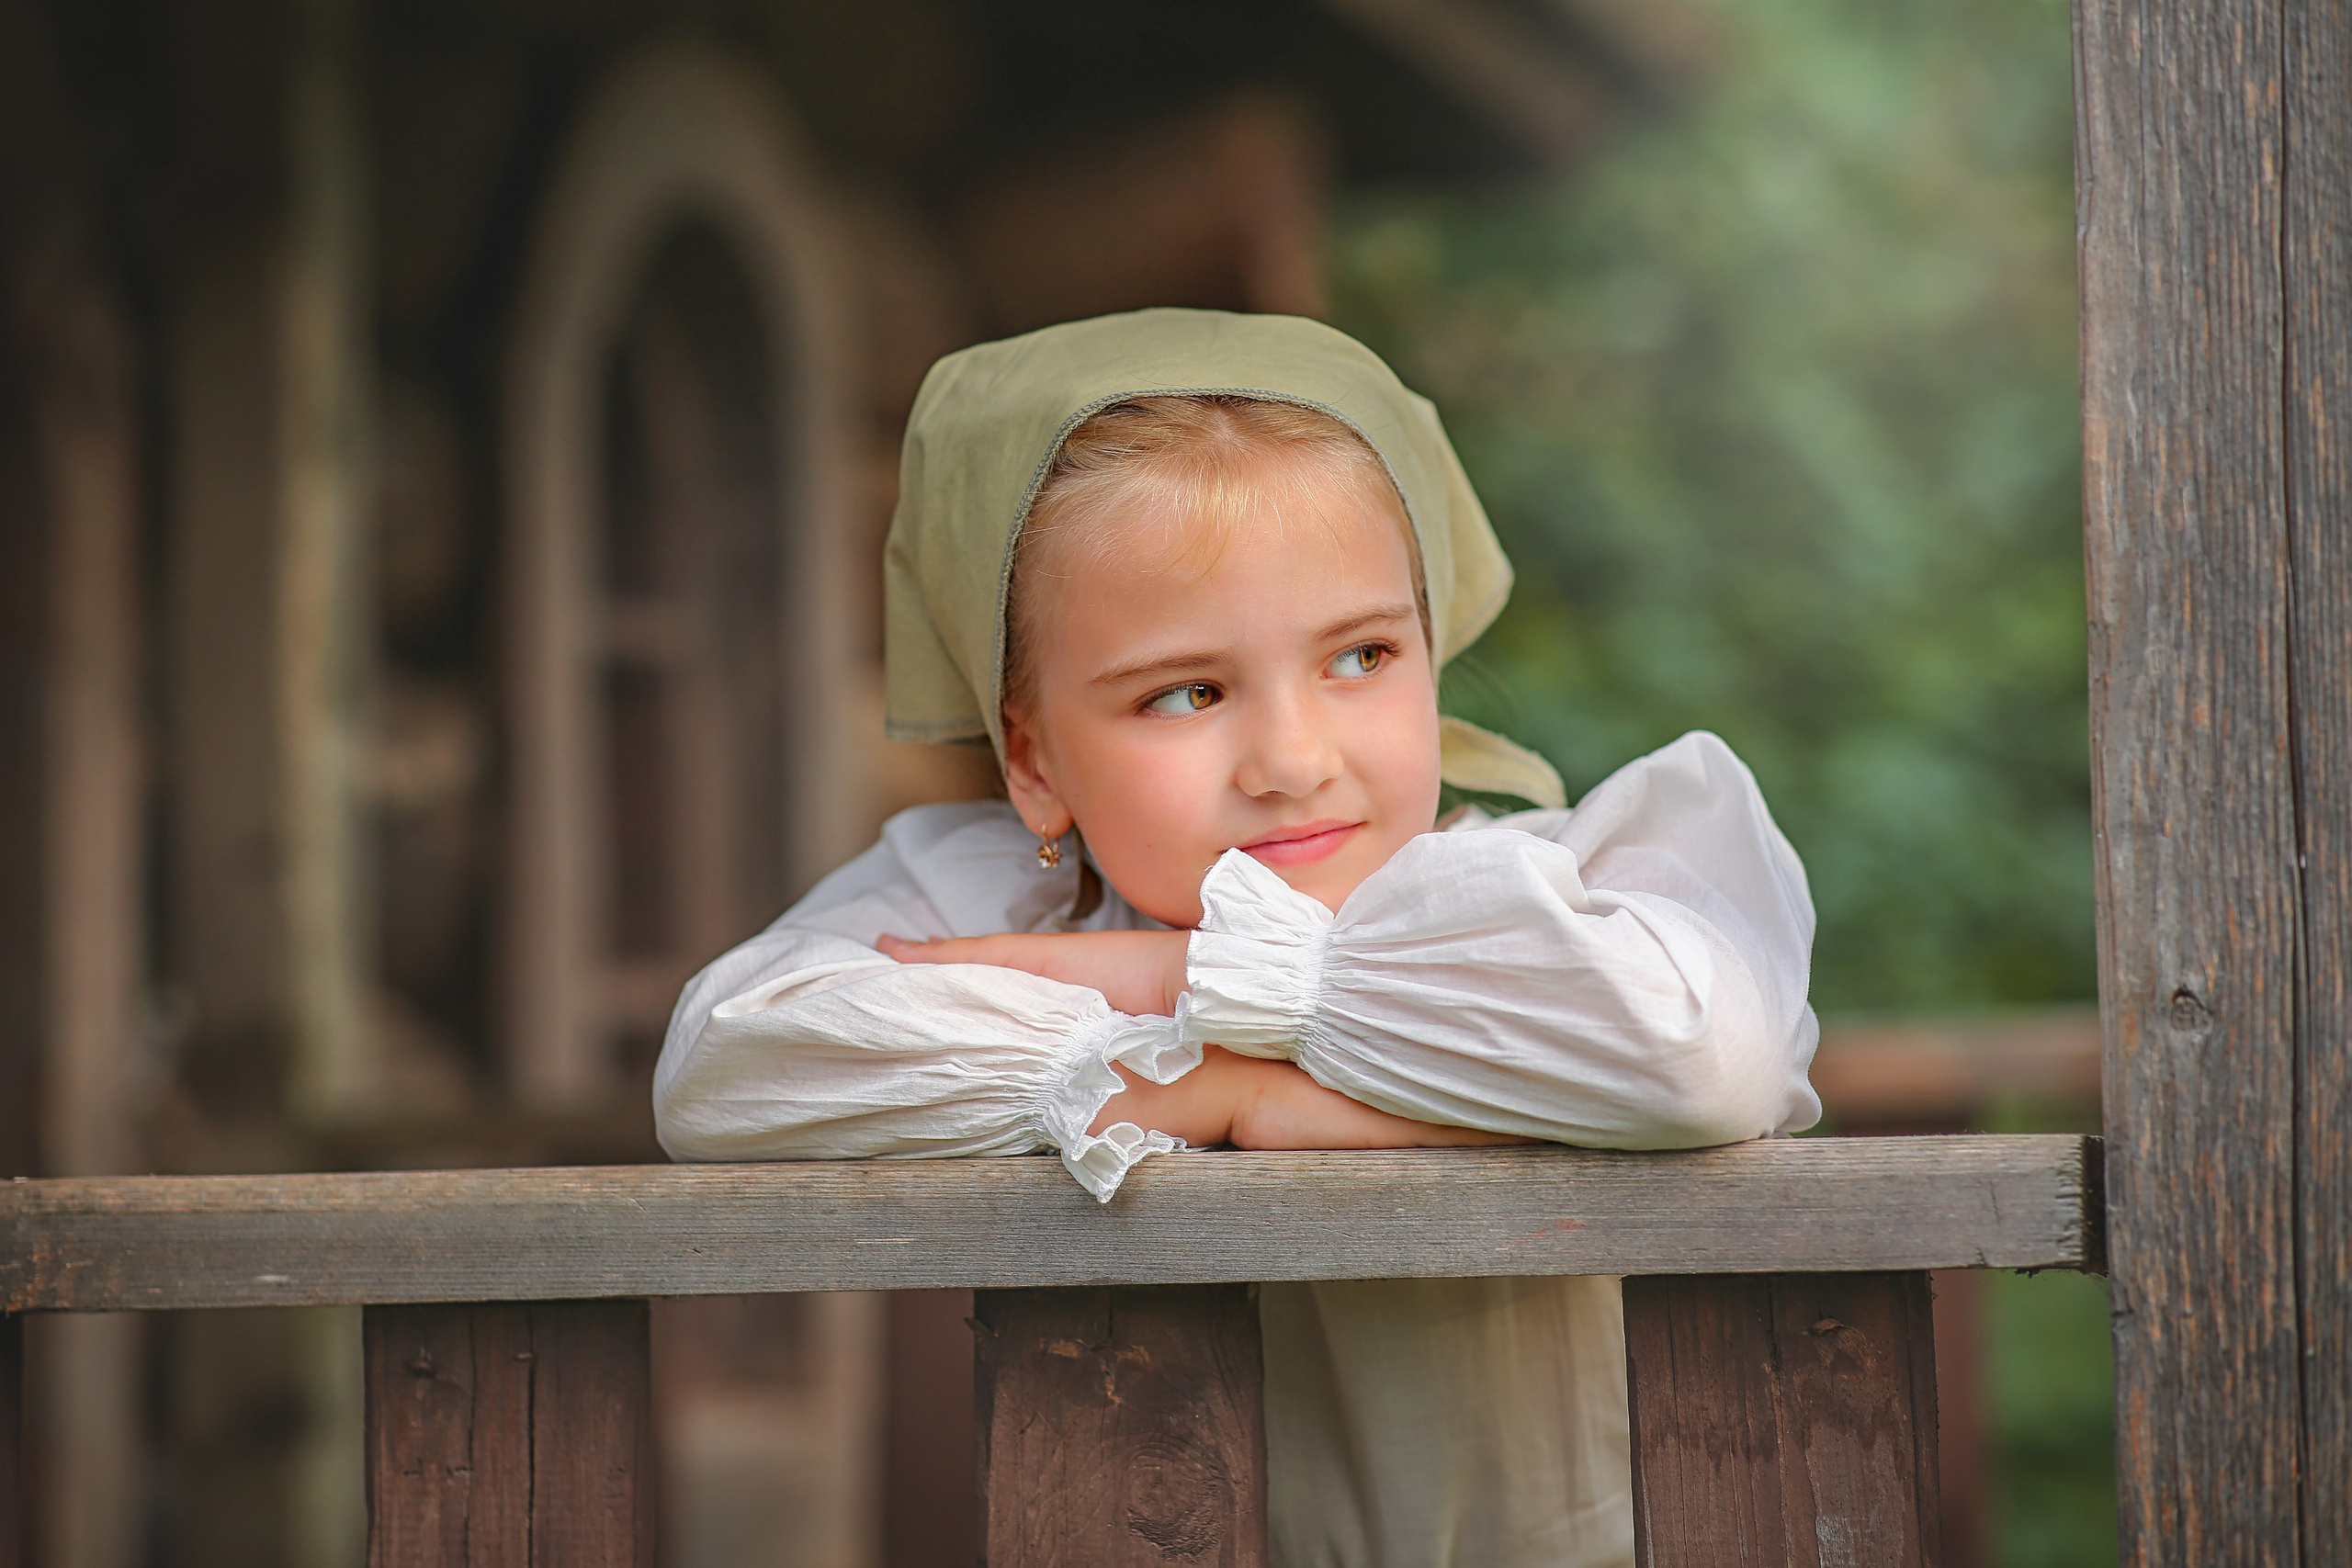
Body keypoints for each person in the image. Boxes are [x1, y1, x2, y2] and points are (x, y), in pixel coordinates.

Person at [656, 308, 1821, 1567]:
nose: (1292, 761)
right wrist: (1219, 1069)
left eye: (1362, 656)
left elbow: (1711, 1056)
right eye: (1188, 692)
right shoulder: (1015, 899)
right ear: (1036, 760)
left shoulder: (1528, 893)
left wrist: (1209, 1009)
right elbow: (725, 1066)